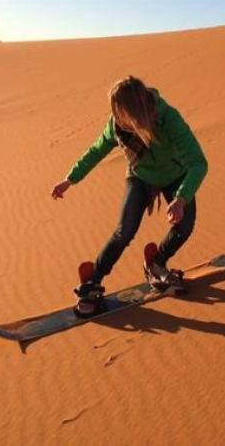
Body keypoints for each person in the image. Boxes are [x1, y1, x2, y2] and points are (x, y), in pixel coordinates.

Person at [51, 76, 208, 316]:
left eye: (120, 111)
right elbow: (96, 150)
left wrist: (181, 198)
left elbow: (198, 162)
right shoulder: (117, 125)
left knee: (184, 225)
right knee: (125, 231)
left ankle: (156, 263)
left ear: (135, 111)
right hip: (141, 176)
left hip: (175, 175)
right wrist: (70, 179)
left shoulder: (167, 118)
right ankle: (92, 281)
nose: (116, 117)